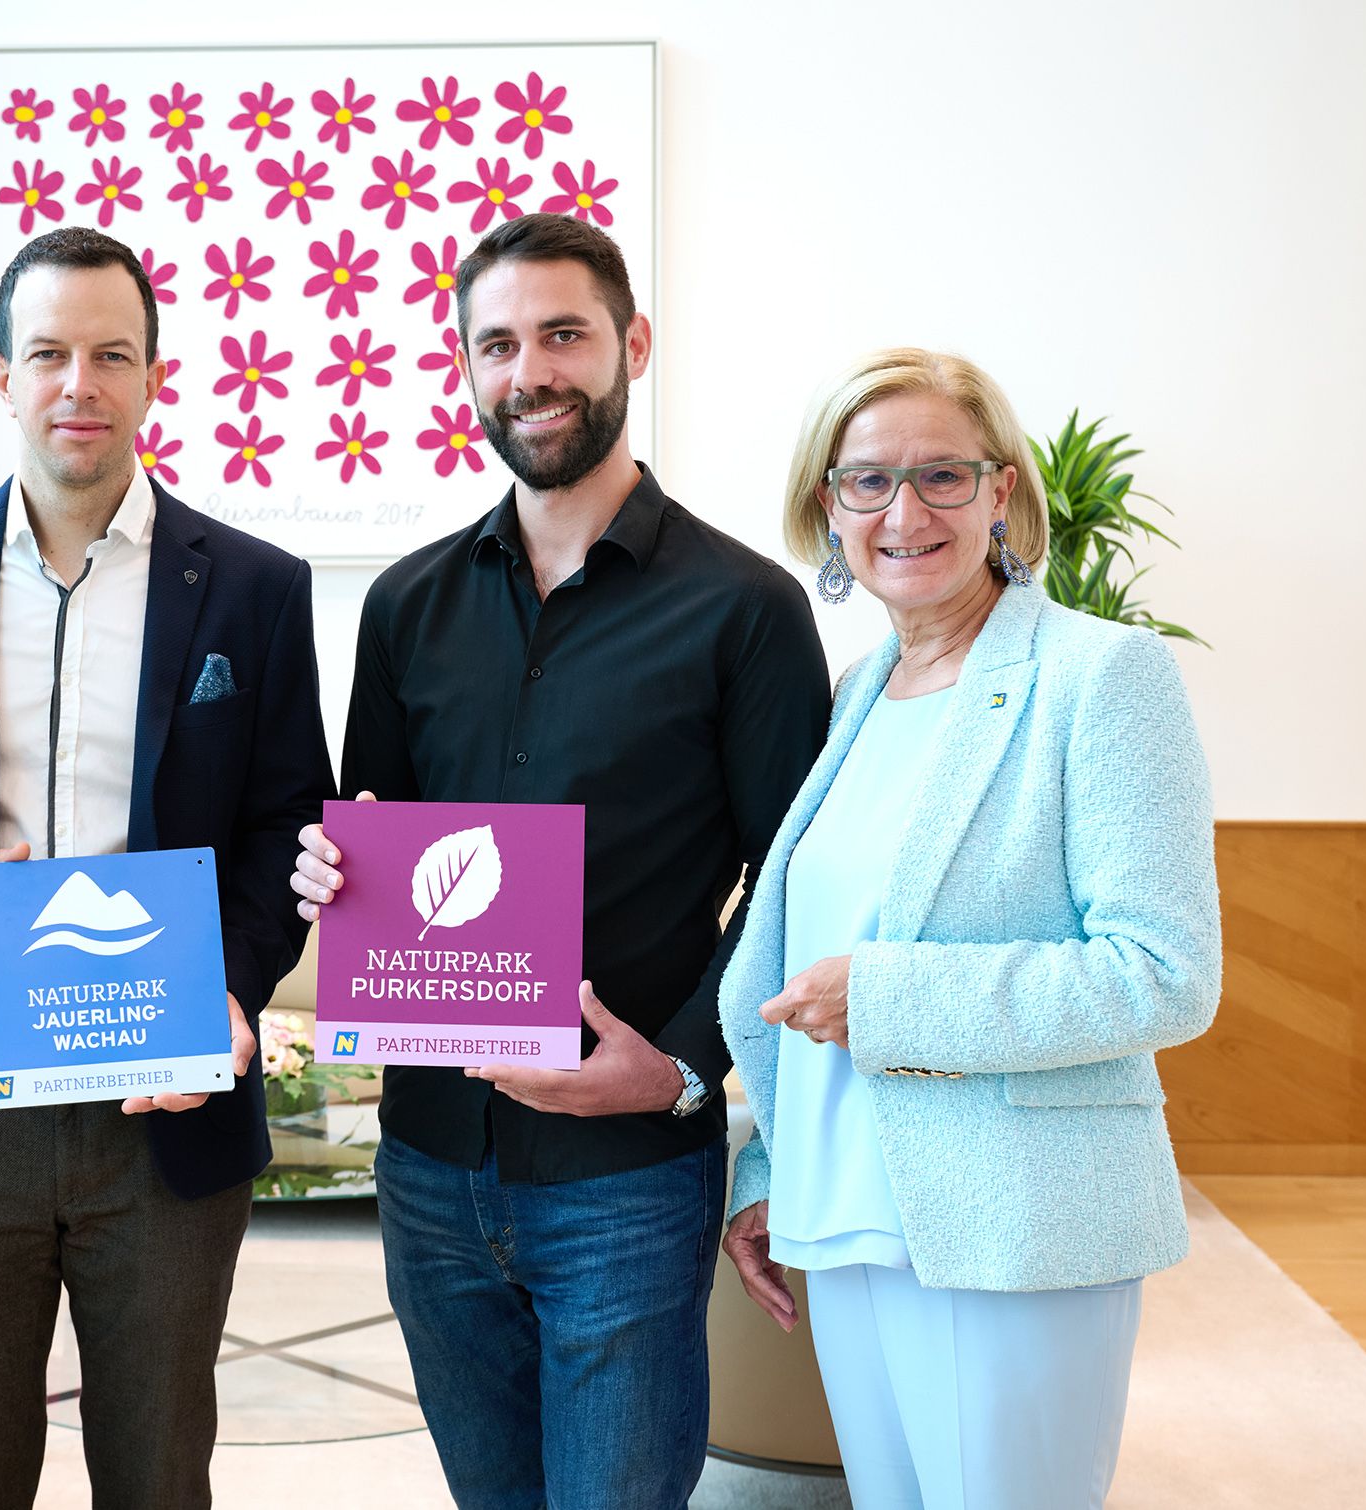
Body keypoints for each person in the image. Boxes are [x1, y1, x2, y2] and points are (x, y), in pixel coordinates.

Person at [289, 214, 831, 1508]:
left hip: (624, 1180)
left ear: (631, 344)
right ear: (466, 369)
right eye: (496, 343)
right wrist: (330, 873)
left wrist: (684, 1063)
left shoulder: (744, 609)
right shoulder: (404, 603)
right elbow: (377, 830)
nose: (529, 369)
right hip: (424, 1160)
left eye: (562, 334)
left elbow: (793, 879)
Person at [0, 226, 331, 1508]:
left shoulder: (256, 588)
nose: (79, 384)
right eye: (48, 352)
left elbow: (288, 815)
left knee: (158, 1465)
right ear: (0, 374)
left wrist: (233, 986)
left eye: (111, 354)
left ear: (156, 376)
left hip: (159, 1099)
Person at [717, 348, 1221, 1509]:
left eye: (940, 475)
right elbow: (802, 971)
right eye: (865, 481)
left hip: (1013, 1218)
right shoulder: (857, 694)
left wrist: (887, 1001)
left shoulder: (1100, 675)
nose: (902, 512)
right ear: (825, 507)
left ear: (1001, 491)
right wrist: (768, 1169)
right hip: (844, 1212)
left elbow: (1161, 974)